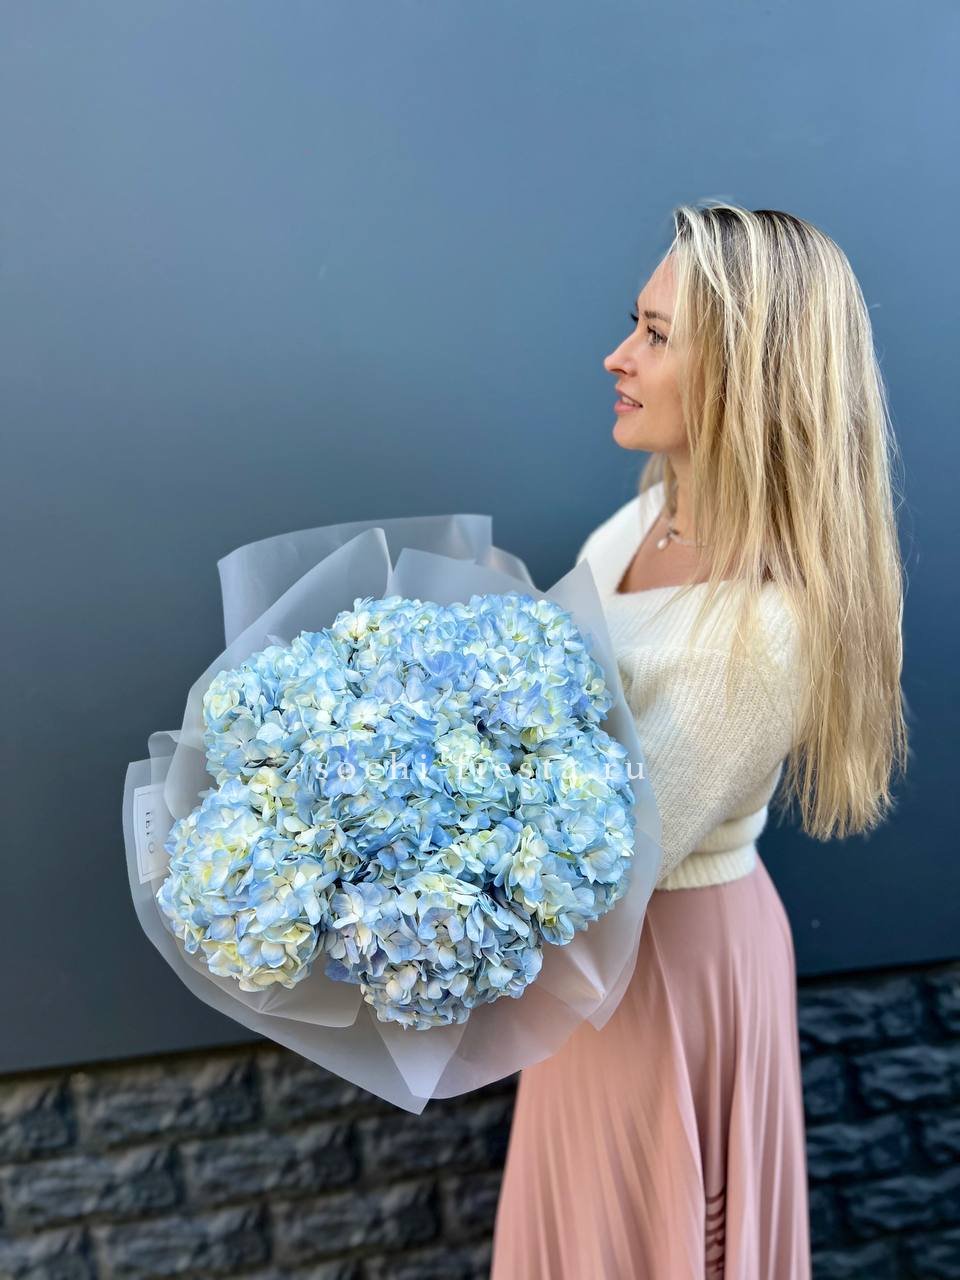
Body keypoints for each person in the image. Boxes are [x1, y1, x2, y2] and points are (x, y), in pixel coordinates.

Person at [489, 201, 909, 1279]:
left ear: (749, 373)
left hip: (665, 969)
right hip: (593, 976)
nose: (617, 356)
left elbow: (600, 868)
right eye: (634, 323)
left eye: (657, 335)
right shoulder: (642, 520)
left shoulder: (766, 626)